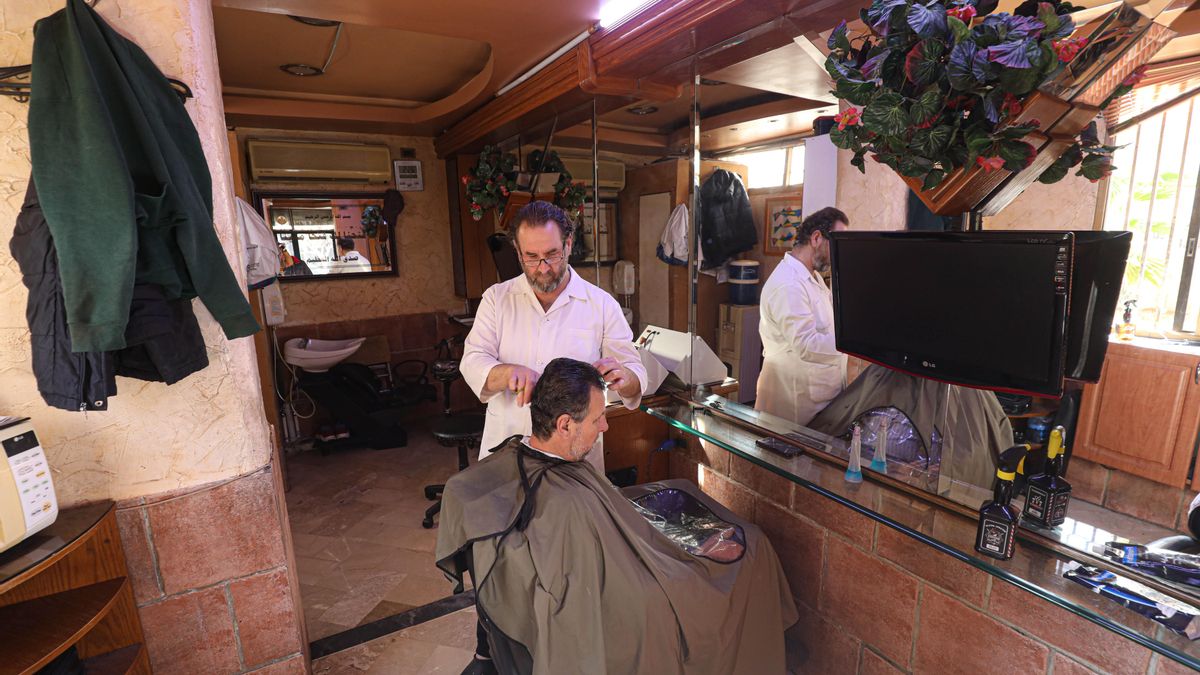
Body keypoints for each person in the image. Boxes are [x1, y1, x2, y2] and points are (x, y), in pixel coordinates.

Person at [436, 358, 797, 675]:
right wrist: (691, 557)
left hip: (607, 536)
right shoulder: (566, 504)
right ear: (564, 425)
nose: (605, 428)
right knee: (752, 550)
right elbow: (619, 590)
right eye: (598, 419)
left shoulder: (522, 456)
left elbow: (462, 490)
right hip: (640, 589)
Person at [460, 200, 647, 473]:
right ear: (518, 252)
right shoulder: (497, 299)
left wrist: (625, 377)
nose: (543, 267)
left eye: (552, 254)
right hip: (507, 448)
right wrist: (508, 373)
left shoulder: (602, 304)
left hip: (575, 457)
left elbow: (635, 375)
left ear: (568, 245)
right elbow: (472, 361)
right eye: (531, 257)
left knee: (573, 503)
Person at [756, 206, 850, 426]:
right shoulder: (789, 284)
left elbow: (829, 328)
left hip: (817, 401)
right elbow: (807, 345)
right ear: (816, 238)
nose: (838, 253)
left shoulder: (813, 278)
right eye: (835, 244)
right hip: (795, 405)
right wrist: (851, 342)